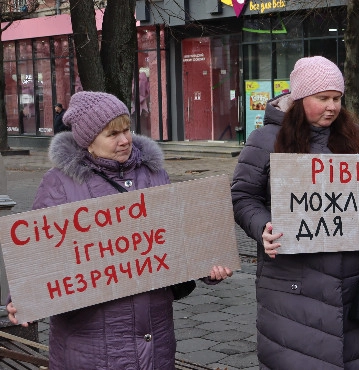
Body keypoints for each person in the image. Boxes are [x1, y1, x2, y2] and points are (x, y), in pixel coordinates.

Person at [6, 91, 234, 369]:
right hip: (90, 345)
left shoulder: (153, 174)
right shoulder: (60, 183)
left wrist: (210, 263)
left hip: (155, 335)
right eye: (112, 134)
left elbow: (180, 236)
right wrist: (24, 299)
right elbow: (37, 254)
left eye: (127, 129)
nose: (124, 140)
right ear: (88, 141)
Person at [230, 56, 359, 369]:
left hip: (354, 287)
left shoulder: (355, 139)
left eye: (337, 99)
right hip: (293, 289)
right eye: (322, 98)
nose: (332, 107)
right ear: (299, 99)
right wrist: (263, 227)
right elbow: (243, 197)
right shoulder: (266, 141)